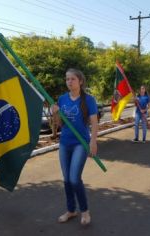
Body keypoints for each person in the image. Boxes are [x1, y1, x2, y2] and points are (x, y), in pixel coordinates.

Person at [51, 68, 98, 225]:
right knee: (66, 180)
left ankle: (84, 211)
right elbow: (59, 124)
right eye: (67, 79)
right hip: (65, 143)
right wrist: (55, 113)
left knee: (74, 179)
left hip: (81, 143)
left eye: (72, 79)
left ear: (80, 81)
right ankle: (71, 210)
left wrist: (93, 141)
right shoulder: (62, 99)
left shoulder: (88, 100)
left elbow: (94, 122)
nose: (69, 82)